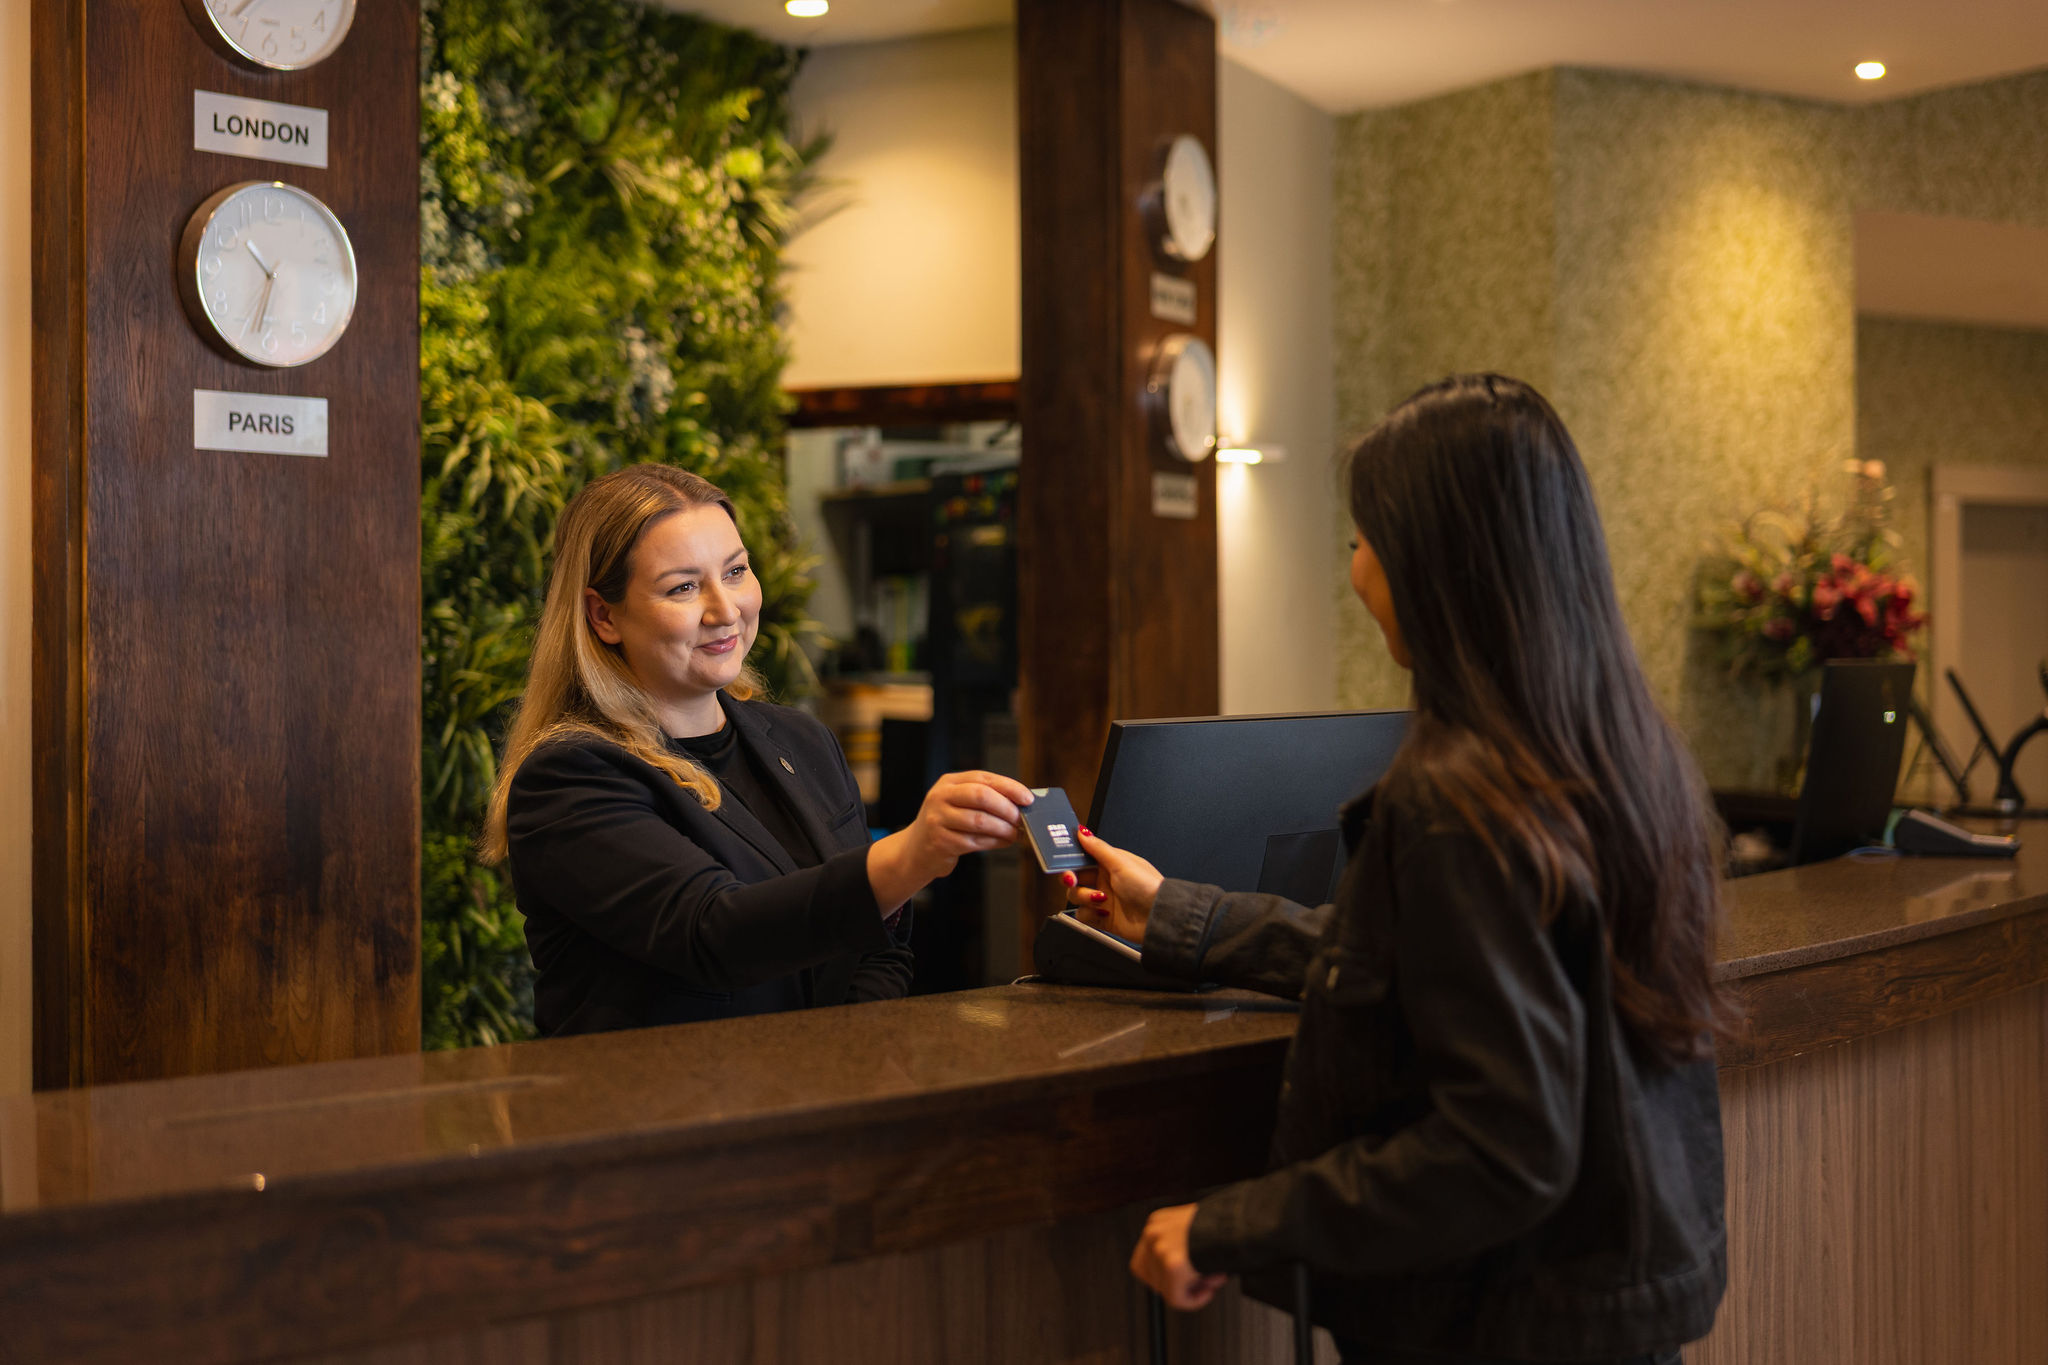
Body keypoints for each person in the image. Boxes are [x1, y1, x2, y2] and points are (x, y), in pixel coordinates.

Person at [1066, 375, 1727, 1365]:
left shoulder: (1458, 800)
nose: (1354, 568)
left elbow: (1497, 1148)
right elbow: (1419, 967)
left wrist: (1227, 1226)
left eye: (1364, 539)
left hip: (1492, 1328)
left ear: (1436, 564)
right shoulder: (1617, 756)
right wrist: (1179, 917)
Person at [481, 463, 1031, 1037]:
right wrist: (912, 853)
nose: (726, 610)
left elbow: (878, 945)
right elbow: (715, 933)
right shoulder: (570, 775)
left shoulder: (802, 740)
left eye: (736, 571)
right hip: (660, 1117)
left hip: (818, 1105)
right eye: (684, 587)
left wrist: (843, 1064)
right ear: (603, 615)